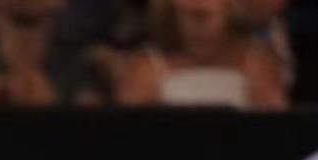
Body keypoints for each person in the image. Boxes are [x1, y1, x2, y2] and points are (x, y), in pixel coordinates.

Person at [116, 0, 286, 104]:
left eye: (205, 14)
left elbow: (276, 132)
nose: (199, 3)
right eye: (192, 13)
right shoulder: (147, 68)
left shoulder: (259, 62)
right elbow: (127, 135)